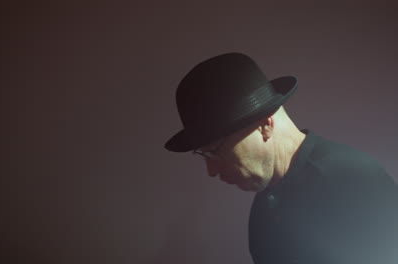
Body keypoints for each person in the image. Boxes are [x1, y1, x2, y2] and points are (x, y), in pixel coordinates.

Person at [164, 53, 398, 264]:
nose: (211, 170)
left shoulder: (356, 181)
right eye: (204, 155)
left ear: (265, 125)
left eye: (215, 151)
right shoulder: (268, 192)